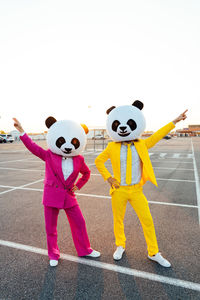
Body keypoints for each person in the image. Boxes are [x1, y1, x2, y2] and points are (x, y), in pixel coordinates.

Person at [95, 101, 187, 267]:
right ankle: (120, 245)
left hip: (137, 190)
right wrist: (109, 178)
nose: (123, 128)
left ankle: (153, 252)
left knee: (147, 220)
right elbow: (98, 161)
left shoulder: (142, 144)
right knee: (118, 220)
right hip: (119, 190)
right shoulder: (111, 146)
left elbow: (158, 135)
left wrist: (175, 121)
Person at [13, 117, 100, 267]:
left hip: (69, 196)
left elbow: (86, 173)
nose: (67, 146)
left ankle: (85, 249)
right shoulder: (49, 155)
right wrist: (22, 131)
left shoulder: (79, 159)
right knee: (51, 228)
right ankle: (53, 254)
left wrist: (78, 186)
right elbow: (33, 147)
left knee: (79, 222)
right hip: (51, 196)